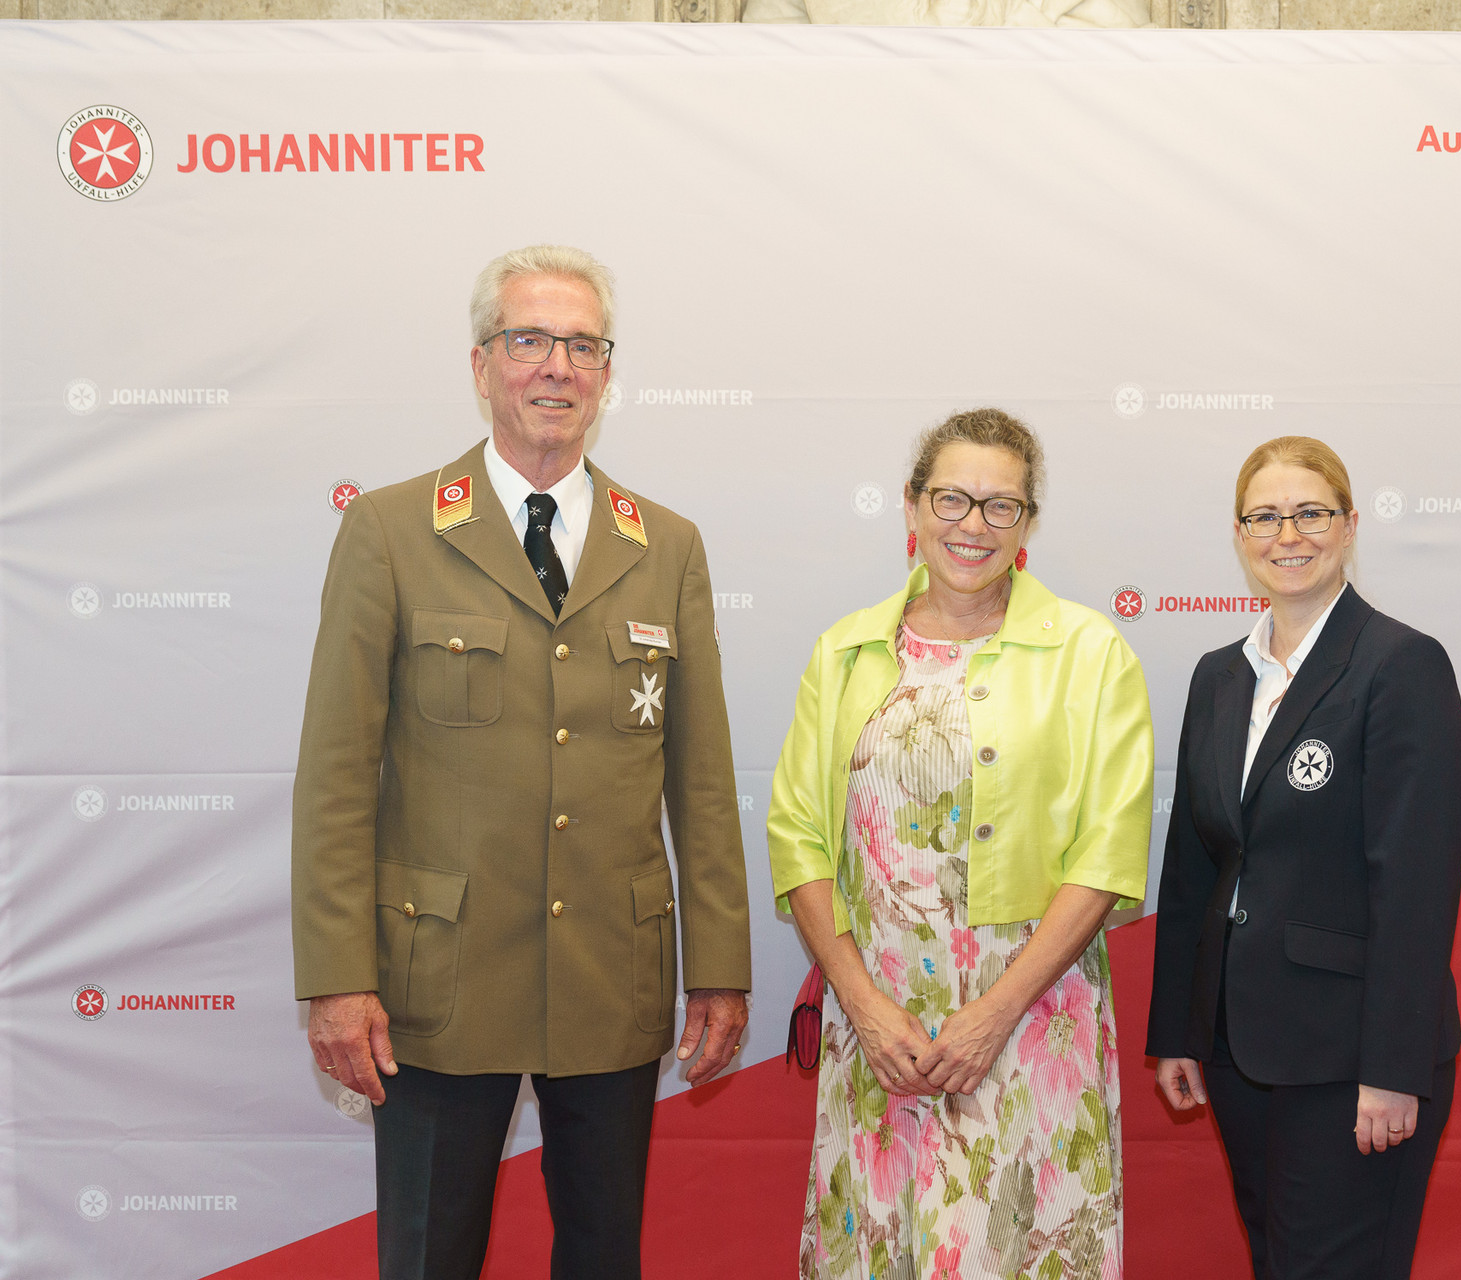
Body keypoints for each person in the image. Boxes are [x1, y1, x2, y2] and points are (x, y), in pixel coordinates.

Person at [290, 244, 753, 1280]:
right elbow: (335, 773)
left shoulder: (666, 543)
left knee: (603, 1256)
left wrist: (719, 962)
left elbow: (703, 777)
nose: (557, 365)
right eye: (530, 340)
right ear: (481, 363)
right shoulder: (394, 529)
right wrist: (335, 975)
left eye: (582, 345)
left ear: (606, 370)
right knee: (428, 1257)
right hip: (436, 982)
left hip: (611, 975)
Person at [767, 409, 1152, 1280]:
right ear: (910, 507)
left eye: (1000, 506)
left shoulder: (1091, 655)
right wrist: (861, 1005)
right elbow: (797, 838)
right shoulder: (846, 651)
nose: (971, 525)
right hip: (878, 1024)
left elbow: (1108, 853)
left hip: (1028, 1020)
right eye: (951, 499)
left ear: (1028, 524)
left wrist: (992, 1015)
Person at [1146, 435, 1461, 1280]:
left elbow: (1417, 884)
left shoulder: (1401, 665)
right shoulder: (1219, 676)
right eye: (1265, 517)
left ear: (1350, 525)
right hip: (1239, 1047)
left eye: (1310, 513)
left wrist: (1394, 1069)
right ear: (1240, 533)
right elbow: (1193, 868)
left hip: (1351, 1058)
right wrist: (1179, 1030)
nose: (1288, 535)